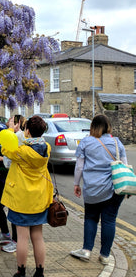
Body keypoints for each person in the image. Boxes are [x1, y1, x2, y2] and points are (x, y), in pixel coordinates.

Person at [70, 113, 128, 265]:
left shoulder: (86, 142)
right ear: (108, 126)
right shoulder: (117, 142)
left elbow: (79, 167)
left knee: (91, 218)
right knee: (109, 221)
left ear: (93, 127)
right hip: (113, 190)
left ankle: (86, 251)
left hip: (92, 189)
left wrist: (76, 184)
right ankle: (105, 255)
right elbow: (124, 165)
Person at [1, 115, 54, 277]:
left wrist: (10, 129)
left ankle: (21, 271)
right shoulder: (47, 148)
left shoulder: (21, 151)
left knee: (22, 238)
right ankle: (39, 272)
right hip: (39, 199)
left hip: (22, 200)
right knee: (38, 236)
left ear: (27, 130)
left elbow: (4, 148)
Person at [0, 115, 23, 253]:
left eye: (12, 120)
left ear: (18, 124)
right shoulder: (8, 134)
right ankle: (5, 233)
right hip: (0, 175)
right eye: (9, 119)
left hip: (10, 177)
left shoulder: (19, 137)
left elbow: (16, 158)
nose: (8, 121)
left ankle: (16, 241)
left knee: (12, 207)